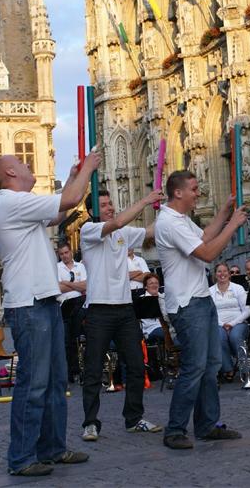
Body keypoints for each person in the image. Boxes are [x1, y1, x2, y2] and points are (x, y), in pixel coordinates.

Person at [0, 149, 99, 476]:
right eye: (21, 162)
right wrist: (89, 168)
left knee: (54, 382)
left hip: (45, 300)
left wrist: (73, 176)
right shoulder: (11, 201)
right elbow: (72, 199)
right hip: (29, 304)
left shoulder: (22, 205)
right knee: (34, 383)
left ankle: (52, 448)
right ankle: (22, 458)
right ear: (11, 173)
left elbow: (58, 213)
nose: (27, 164)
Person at [155, 170, 246, 449]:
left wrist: (224, 212)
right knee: (194, 366)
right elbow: (207, 253)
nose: (198, 193)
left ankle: (207, 424)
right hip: (187, 303)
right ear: (178, 192)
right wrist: (232, 225)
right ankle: (174, 429)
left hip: (200, 299)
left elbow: (205, 236)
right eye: (194, 189)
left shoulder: (182, 219)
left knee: (211, 365)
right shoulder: (169, 222)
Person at [80, 189, 164, 442]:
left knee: (137, 366)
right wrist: (145, 200)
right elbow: (116, 222)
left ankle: (134, 418)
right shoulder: (89, 231)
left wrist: (167, 209)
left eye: (110, 203)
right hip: (99, 309)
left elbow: (149, 232)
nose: (110, 208)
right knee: (94, 369)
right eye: (104, 205)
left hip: (125, 309)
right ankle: (90, 423)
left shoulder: (123, 233)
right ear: (92, 211)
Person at [209, 263, 250, 382]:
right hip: (218, 324)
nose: (222, 274)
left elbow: (247, 311)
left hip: (238, 322)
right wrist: (223, 325)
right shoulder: (210, 291)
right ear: (215, 274)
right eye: (219, 271)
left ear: (229, 273)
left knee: (235, 336)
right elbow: (210, 313)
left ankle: (245, 369)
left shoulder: (238, 288)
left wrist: (232, 324)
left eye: (225, 271)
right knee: (219, 337)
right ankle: (228, 369)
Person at [56, 242, 87, 384]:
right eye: (61, 254)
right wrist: (77, 286)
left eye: (66, 252)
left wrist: (67, 283)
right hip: (64, 307)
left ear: (71, 252)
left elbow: (86, 285)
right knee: (66, 341)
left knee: (81, 338)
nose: (64, 256)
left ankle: (82, 369)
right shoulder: (56, 268)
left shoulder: (80, 266)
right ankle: (69, 371)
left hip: (81, 304)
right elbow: (58, 288)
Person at [139, 273, 169, 344]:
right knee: (167, 333)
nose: (154, 285)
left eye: (156, 283)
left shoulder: (164, 296)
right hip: (152, 328)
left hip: (169, 326)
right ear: (145, 286)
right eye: (151, 283)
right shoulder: (142, 299)